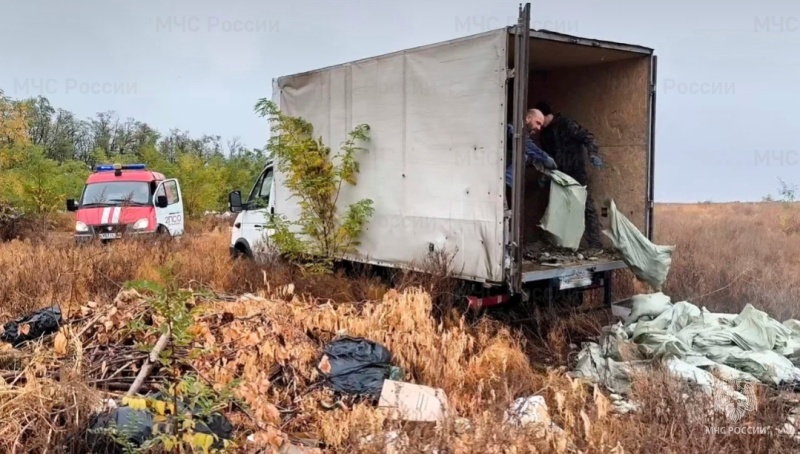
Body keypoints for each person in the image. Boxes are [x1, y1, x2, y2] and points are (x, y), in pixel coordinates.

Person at [535, 101, 604, 251]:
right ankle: (556, 243)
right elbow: (547, 157)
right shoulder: (545, 134)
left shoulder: (566, 124)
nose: (539, 125)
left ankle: (595, 244)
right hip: (559, 175)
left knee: (586, 206)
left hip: (576, 172)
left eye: (540, 119)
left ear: (547, 115)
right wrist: (545, 175)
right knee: (555, 207)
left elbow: (588, 137)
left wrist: (593, 154)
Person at [505, 108, 557, 206]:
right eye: (538, 123)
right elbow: (523, 144)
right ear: (528, 118)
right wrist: (544, 157)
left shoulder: (522, 134)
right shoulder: (513, 128)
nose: (539, 128)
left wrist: (545, 172)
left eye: (541, 125)